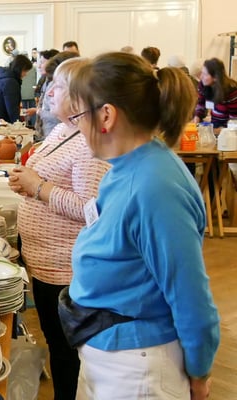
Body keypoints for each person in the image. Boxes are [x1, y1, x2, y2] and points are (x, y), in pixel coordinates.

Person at [65, 52, 220, 399]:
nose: (78, 129)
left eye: (80, 116)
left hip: (138, 368)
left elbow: (191, 296)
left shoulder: (155, 186)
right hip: (114, 356)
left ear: (106, 115)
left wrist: (199, 374)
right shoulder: (127, 169)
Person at [8, 57, 110, 400]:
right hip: (45, 263)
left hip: (66, 268)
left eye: (59, 86)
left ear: (80, 96)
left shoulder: (90, 144)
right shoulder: (63, 130)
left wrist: (37, 187)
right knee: (57, 344)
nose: (49, 91)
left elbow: (90, 209)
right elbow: (45, 180)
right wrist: (26, 183)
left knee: (67, 353)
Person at [35, 51, 79, 141]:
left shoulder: (81, 137)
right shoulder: (59, 130)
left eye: (59, 86)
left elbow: (54, 117)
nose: (50, 93)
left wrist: (40, 112)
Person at [0, 54, 33, 124]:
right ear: (20, 69)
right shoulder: (10, 81)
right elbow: (12, 108)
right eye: (25, 71)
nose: (25, 74)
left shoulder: (4, 76)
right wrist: (17, 124)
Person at [193, 57, 237, 130]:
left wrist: (219, 130)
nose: (201, 77)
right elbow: (201, 104)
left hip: (227, 131)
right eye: (202, 73)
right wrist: (197, 117)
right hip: (214, 126)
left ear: (215, 77)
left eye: (205, 74)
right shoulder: (203, 85)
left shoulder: (232, 91)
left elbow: (234, 122)